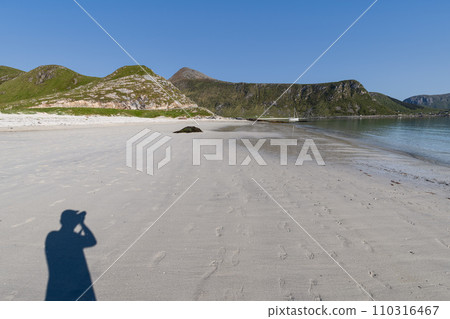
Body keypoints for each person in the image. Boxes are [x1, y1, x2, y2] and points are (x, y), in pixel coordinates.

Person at [45, 210, 97, 301]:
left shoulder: (51, 236)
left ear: (61, 221)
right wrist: (82, 223)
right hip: (76, 285)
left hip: (56, 285)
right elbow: (92, 241)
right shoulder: (74, 238)